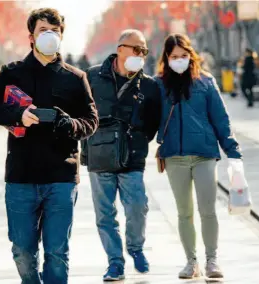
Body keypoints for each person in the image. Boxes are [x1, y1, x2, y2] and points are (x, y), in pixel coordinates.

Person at [0, 8, 98, 284]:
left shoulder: (75, 77)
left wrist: (70, 124)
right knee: (23, 251)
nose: (50, 36)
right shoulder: (12, 74)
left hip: (62, 177)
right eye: (43, 30)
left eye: (55, 31)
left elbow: (91, 121)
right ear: (31, 37)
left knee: (57, 252)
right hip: (22, 176)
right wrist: (17, 115)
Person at [155, 33, 243, 279]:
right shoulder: (159, 84)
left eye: (184, 56)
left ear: (191, 55)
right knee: (184, 212)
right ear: (167, 58)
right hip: (174, 157)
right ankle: (191, 261)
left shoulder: (205, 82)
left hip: (204, 154)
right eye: (174, 57)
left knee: (208, 210)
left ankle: (212, 260)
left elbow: (221, 120)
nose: (180, 60)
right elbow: (147, 119)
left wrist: (233, 153)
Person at [82, 29, 161, 281]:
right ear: (120, 49)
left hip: (132, 158)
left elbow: (153, 122)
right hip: (99, 156)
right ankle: (115, 262)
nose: (140, 55)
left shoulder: (148, 86)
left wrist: (136, 141)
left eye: (144, 51)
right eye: (136, 49)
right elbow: (82, 115)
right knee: (105, 214)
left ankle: (136, 248)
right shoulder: (92, 77)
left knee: (138, 206)